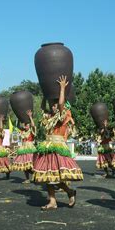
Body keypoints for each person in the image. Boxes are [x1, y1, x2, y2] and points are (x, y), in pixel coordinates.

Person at [33, 76, 83, 210]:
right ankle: (53, 201)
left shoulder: (64, 115)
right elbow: (43, 108)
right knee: (47, 176)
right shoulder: (49, 117)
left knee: (57, 177)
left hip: (58, 147)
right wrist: (45, 94)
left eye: (55, 105)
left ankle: (69, 191)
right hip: (47, 147)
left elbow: (61, 104)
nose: (54, 106)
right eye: (52, 105)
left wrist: (62, 88)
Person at [11, 110, 37, 183]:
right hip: (23, 148)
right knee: (24, 165)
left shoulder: (32, 131)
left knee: (31, 164)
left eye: (27, 125)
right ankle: (27, 179)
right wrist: (19, 118)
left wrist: (30, 117)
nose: (26, 127)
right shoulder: (23, 132)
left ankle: (35, 174)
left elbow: (33, 125)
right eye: (25, 125)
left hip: (30, 148)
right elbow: (18, 126)